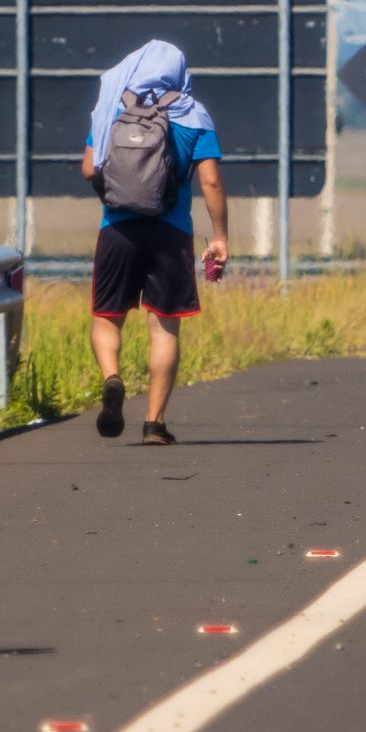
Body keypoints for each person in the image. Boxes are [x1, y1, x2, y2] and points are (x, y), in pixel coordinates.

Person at [81, 40, 229, 444]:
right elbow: (211, 180)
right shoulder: (194, 113)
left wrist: (117, 194)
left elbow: (88, 167)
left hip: (118, 228)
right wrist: (219, 236)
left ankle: (112, 377)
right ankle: (154, 425)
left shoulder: (112, 104)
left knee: (107, 316)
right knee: (164, 328)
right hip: (171, 231)